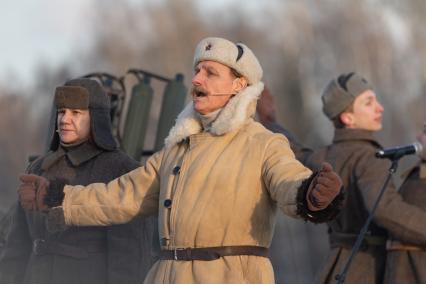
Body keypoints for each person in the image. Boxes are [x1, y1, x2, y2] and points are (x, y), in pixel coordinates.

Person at [20, 37, 343, 284]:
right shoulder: (178, 147)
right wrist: (58, 196)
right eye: (197, 71)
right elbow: (122, 196)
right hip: (167, 275)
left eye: (210, 73)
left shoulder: (262, 143)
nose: (197, 80)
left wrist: (311, 192)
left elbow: (289, 181)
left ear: (239, 85)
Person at [0, 78, 157, 284]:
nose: (65, 119)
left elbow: (129, 261)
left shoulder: (124, 172)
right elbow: (16, 248)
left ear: (96, 119)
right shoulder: (37, 169)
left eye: (76, 113)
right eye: (62, 111)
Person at [314, 72, 426, 284]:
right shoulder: (369, 158)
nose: (379, 107)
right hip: (367, 269)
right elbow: (386, 210)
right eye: (368, 102)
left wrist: (270, 122)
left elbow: (294, 150)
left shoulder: (323, 155)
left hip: (333, 267)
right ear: (348, 118)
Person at [384, 123, 426, 284]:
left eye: (425, 132)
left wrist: (386, 207)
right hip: (402, 269)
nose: (418, 136)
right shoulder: (418, 173)